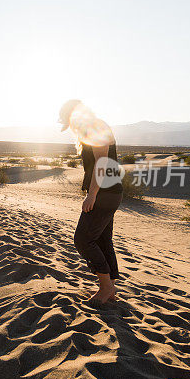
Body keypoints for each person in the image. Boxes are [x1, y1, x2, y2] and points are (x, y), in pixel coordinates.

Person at [58, 99, 124, 307]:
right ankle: (109, 289)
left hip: (106, 192)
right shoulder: (90, 128)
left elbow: (102, 164)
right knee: (103, 240)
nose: (71, 127)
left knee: (83, 239)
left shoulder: (96, 126)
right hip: (108, 191)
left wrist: (92, 194)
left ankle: (106, 286)